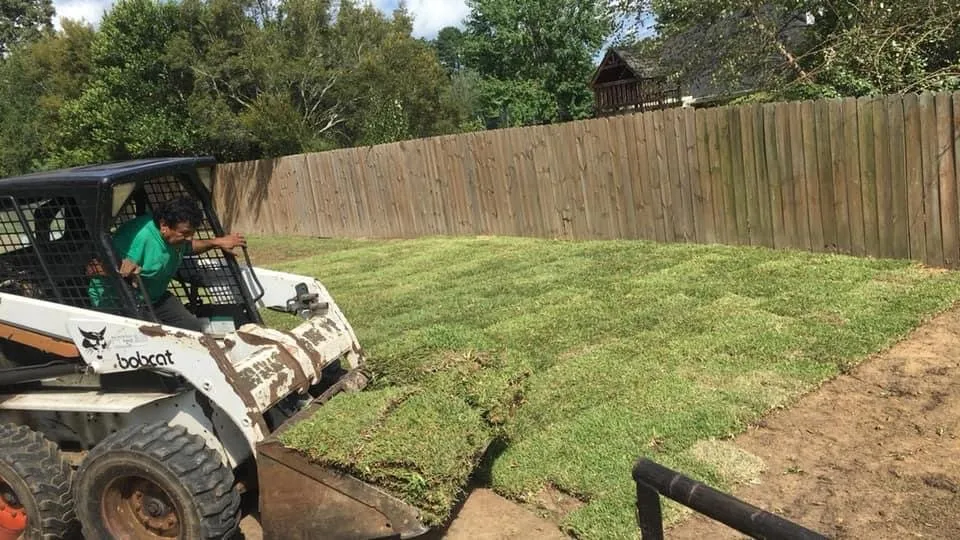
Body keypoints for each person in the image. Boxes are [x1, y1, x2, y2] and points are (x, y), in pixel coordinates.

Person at [88, 196, 246, 331]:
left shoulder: (176, 237)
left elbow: (188, 246)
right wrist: (118, 268)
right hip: (119, 303)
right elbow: (92, 268)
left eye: (192, 233)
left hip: (153, 297)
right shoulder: (140, 237)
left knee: (191, 327)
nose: (189, 238)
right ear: (164, 226)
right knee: (156, 335)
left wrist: (216, 242)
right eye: (185, 233)